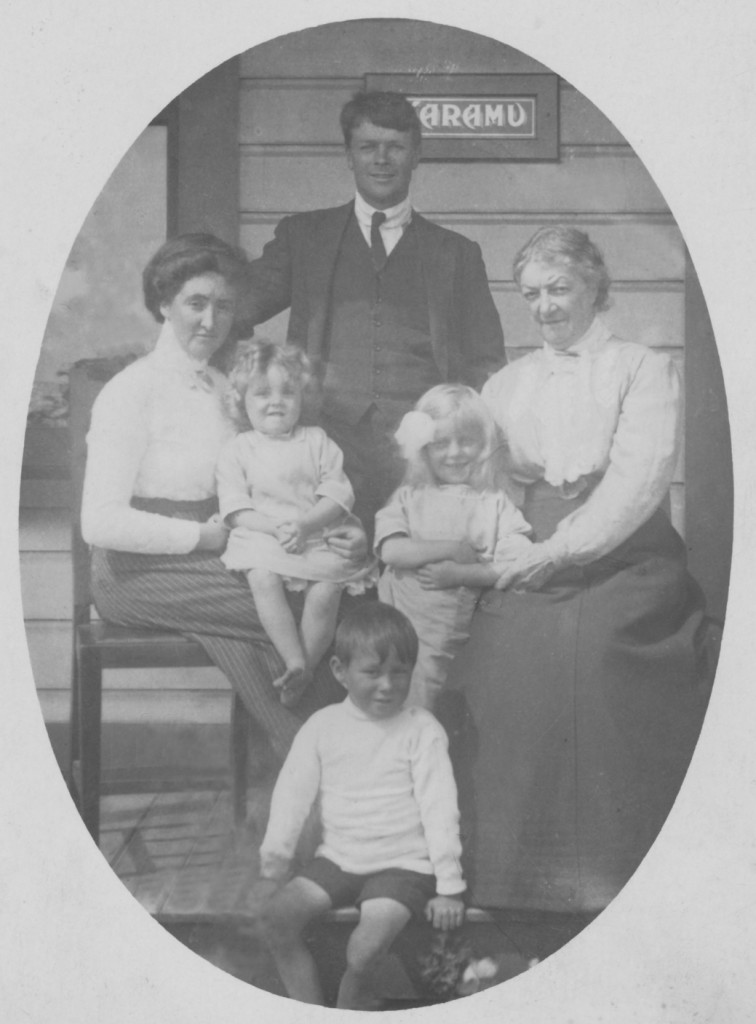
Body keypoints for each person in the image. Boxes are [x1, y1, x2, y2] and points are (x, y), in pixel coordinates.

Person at [439, 226, 711, 916]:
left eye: (559, 289)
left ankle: (618, 874)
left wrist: (558, 552)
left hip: (627, 558)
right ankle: (512, 881)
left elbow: (638, 484)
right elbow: (488, 483)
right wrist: (514, 544)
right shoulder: (507, 383)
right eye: (531, 294)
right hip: (531, 550)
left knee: (598, 659)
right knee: (506, 659)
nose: (546, 307)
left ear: (594, 286)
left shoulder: (642, 368)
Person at [80, 234, 366, 764]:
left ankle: (306, 770)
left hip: (224, 549)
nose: (211, 321)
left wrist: (326, 526)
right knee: (303, 605)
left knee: (272, 626)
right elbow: (99, 522)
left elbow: (267, 481)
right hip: (135, 569)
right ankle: (333, 775)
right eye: (196, 303)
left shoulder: (224, 387)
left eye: (224, 306)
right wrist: (202, 536)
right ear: (164, 303)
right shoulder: (131, 390)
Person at [243, 90, 505, 535]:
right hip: (326, 440)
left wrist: (451, 431)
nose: (381, 159)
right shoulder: (306, 237)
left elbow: (487, 360)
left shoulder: (456, 254)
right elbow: (236, 305)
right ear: (349, 155)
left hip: (423, 448)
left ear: (416, 155)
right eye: (368, 147)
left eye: (395, 147)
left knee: (413, 569)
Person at [252, 602, 466, 1010]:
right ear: (339, 671)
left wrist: (450, 888)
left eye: (399, 672)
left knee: (364, 949)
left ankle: (352, 1002)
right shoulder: (322, 727)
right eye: (372, 672)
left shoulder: (421, 730)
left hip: (403, 865)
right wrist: (273, 865)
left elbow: (441, 809)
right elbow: (291, 799)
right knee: (275, 919)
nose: (387, 685)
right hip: (338, 859)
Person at [217, 338, 375, 708]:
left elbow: (337, 494)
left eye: (288, 391)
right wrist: (274, 529)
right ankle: (294, 658)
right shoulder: (239, 448)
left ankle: (308, 664)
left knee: (328, 589)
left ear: (303, 397)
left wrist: (305, 525)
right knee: (263, 577)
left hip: (314, 534)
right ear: (242, 401)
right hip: (263, 536)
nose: (276, 401)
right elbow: (235, 507)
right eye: (261, 393)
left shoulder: (316, 441)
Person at [374, 383, 532, 710]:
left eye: (467, 441)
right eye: (441, 443)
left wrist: (460, 573)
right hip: (400, 625)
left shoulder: (494, 503)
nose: (454, 453)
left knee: (431, 694)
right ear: (423, 449)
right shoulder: (409, 496)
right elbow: (391, 552)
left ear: (484, 446)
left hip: (450, 633)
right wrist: (451, 547)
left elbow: (516, 563)